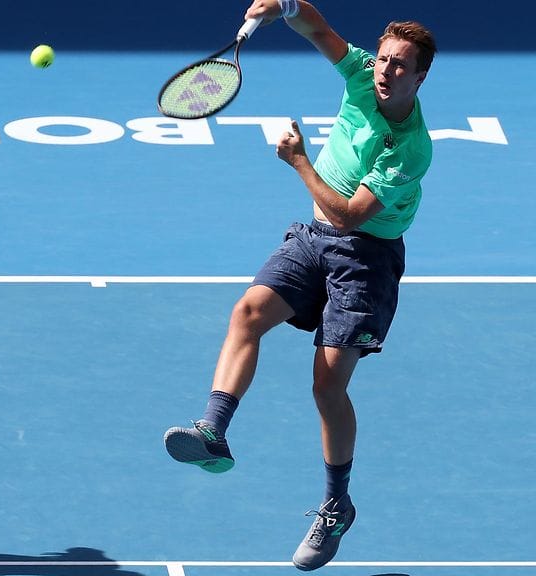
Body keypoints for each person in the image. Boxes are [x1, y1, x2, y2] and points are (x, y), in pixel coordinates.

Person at [163, 0, 436, 570]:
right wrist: (282, 6)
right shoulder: (362, 73)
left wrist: (298, 162)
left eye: (400, 66)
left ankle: (337, 503)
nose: (385, 72)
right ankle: (213, 432)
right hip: (315, 237)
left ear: (420, 76)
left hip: (367, 258)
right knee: (248, 314)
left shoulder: (408, 147)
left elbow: (350, 217)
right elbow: (318, 27)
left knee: (327, 387)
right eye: (384, 60)